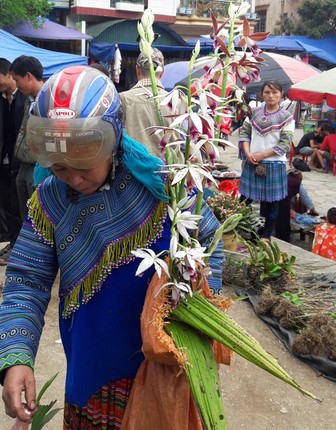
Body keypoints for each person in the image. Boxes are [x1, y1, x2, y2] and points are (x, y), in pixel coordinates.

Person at [0, 66, 223, 428]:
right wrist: (16, 357)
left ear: (113, 138)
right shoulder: (49, 202)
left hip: (168, 369)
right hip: (93, 372)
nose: (73, 177)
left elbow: (211, 244)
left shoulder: (167, 188)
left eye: (84, 161)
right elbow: (27, 281)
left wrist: (197, 314)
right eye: (59, 166)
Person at [239, 80, 295, 241]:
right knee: (244, 200)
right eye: (267, 92)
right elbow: (245, 133)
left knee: (272, 203)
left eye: (275, 92)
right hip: (252, 161)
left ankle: (265, 235)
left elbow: (285, 144)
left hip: (274, 163)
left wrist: (262, 155)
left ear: (281, 95)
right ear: (262, 94)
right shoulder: (253, 112)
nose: (271, 96)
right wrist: (248, 153)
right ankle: (236, 228)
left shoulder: (287, 118)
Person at [119, 48, 172, 158]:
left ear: (137, 70)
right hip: (169, 170)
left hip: (135, 169)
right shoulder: (177, 100)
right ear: (162, 72)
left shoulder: (123, 98)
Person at [9, 55, 44, 222]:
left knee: (39, 218)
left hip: (38, 167)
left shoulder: (48, 100)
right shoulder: (28, 101)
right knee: (27, 219)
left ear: (28, 76)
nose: (16, 85)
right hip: (24, 166)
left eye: (17, 80)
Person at [0, 58, 27, 264]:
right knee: (8, 202)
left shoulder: (24, 99)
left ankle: (19, 245)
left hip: (21, 160)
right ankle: (12, 240)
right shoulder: (3, 98)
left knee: (20, 206)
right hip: (7, 160)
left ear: (10, 75)